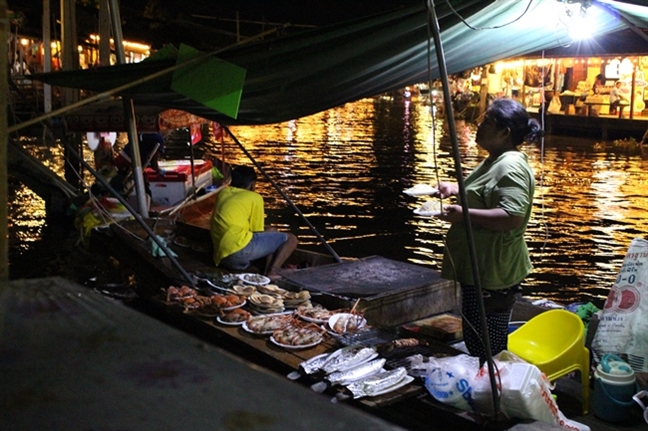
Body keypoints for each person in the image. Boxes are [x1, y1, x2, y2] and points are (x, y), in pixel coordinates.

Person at [433, 98, 542, 363]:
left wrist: (463, 215)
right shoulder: (495, 160)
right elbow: (485, 193)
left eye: (487, 121)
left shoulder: (511, 165)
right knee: (475, 336)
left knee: (487, 345)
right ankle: (485, 385)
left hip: (493, 273)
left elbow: (512, 216)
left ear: (504, 132)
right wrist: (455, 189)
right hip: (480, 268)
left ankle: (492, 394)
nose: (478, 124)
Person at [210, 165, 298, 279]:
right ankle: (273, 271)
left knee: (273, 232)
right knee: (291, 239)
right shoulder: (254, 197)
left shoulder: (223, 193)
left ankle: (266, 271)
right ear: (252, 184)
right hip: (238, 254)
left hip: (221, 257)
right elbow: (258, 230)